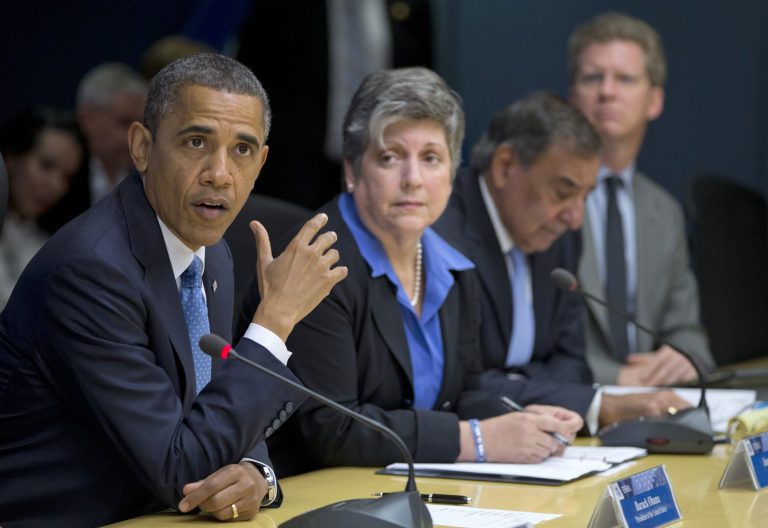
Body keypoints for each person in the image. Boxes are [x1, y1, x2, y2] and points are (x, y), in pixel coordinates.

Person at [0, 53, 347, 526]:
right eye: (196, 141)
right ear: (142, 147)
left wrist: (254, 471)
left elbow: (220, 397)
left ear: (262, 162)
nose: (220, 173)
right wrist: (275, 320)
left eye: (242, 149)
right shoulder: (90, 271)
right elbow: (180, 467)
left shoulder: (213, 252)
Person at [240, 67, 583, 478]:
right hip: (307, 492)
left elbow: (464, 395)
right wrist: (476, 440)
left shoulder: (455, 269)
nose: (413, 180)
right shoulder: (317, 262)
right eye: (390, 157)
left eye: (431, 158)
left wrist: (520, 417)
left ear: (452, 174)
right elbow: (334, 431)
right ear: (352, 170)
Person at [435, 93, 690, 432]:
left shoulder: (562, 237)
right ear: (504, 166)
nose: (575, 218)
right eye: (563, 191)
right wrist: (597, 405)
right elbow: (459, 386)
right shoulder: (441, 232)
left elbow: (573, 362)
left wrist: (516, 383)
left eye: (585, 195)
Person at [568, 12, 715, 386]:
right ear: (573, 95)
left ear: (654, 101)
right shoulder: (544, 198)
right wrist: (616, 379)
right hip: (568, 407)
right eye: (592, 78)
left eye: (625, 79)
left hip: (654, 404)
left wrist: (684, 357)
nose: (607, 91)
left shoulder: (664, 211)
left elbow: (687, 330)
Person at [236, 0, 434, 210]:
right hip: (293, 174)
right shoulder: (283, 7)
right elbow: (251, 82)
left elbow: (419, 84)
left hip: (379, 167)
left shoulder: (410, 5)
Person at [40, 63, 149, 233]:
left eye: (142, 127)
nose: (138, 138)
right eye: (124, 122)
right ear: (87, 117)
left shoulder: (142, 183)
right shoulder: (58, 178)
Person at [0, 107, 88, 308]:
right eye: (46, 165)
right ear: (12, 157)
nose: (56, 186)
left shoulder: (54, 249)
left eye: (67, 177)